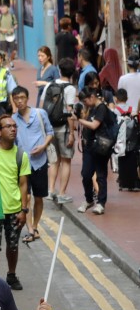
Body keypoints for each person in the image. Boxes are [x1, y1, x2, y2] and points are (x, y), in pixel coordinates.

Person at [0, 114, 31, 285]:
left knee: (13, 246)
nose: (13, 129)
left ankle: (11, 275)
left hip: (14, 209)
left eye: (14, 126)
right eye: (8, 126)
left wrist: (23, 210)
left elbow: (23, 184)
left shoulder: (21, 155)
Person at [10, 86, 53, 244]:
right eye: (16, 98)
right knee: (26, 198)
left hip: (40, 162)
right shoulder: (12, 120)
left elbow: (50, 132)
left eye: (22, 97)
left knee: (39, 197)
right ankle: (29, 229)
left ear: (27, 98)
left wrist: (42, 147)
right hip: (23, 164)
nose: (19, 101)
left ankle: (35, 226)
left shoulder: (40, 114)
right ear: (13, 100)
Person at [76, 87, 117, 215]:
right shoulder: (91, 108)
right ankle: (89, 200)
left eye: (85, 101)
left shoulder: (101, 108)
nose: (84, 104)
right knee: (86, 174)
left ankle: (101, 203)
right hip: (89, 147)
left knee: (101, 175)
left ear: (92, 97)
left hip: (101, 147)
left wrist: (79, 120)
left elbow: (94, 125)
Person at [45, 59, 79, 205]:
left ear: (59, 70)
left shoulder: (49, 85)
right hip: (64, 128)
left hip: (50, 128)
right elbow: (69, 112)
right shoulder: (70, 89)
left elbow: (43, 106)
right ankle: (62, 193)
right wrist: (72, 133)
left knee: (53, 160)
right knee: (66, 161)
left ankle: (50, 190)